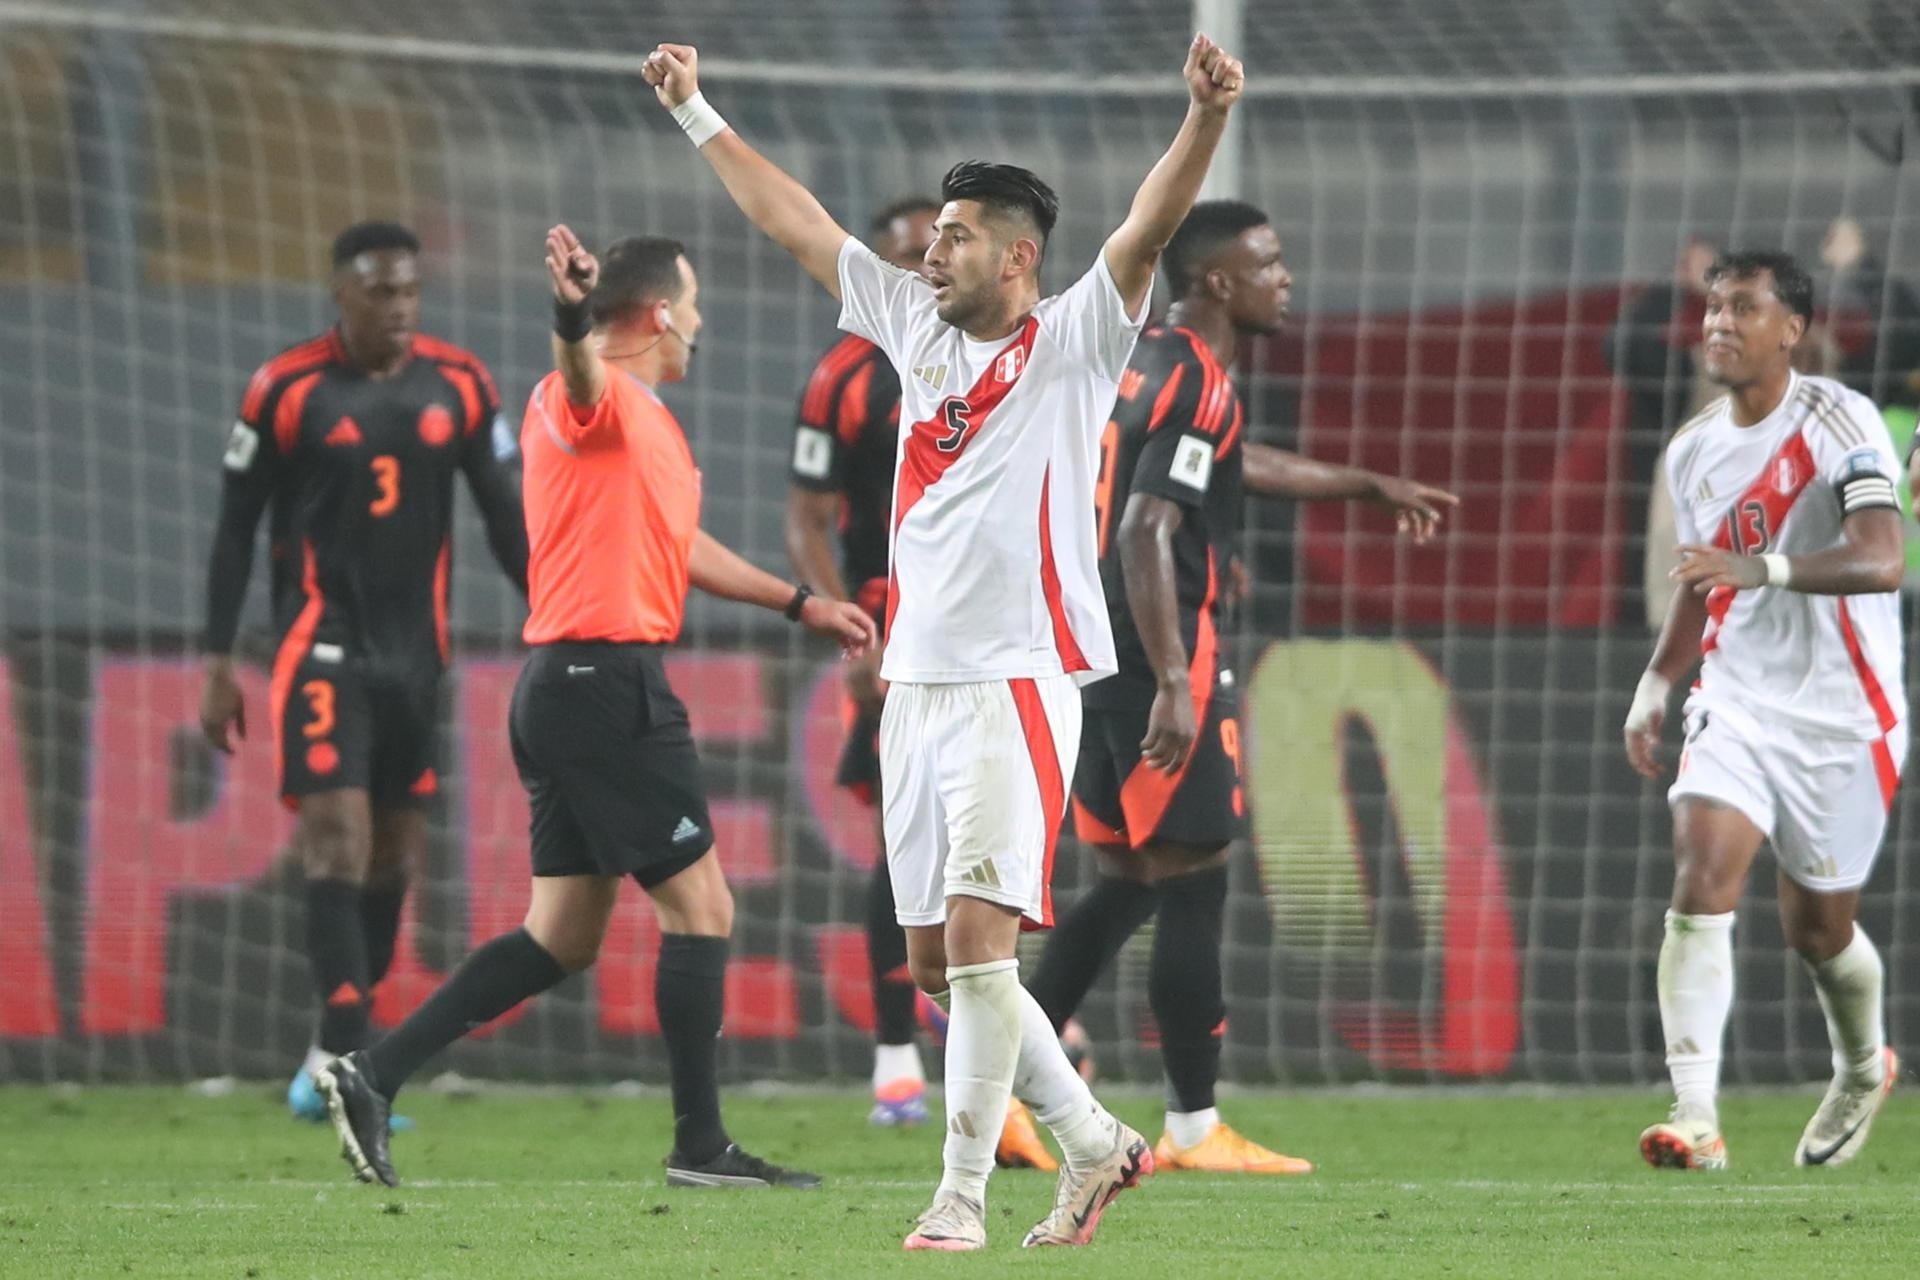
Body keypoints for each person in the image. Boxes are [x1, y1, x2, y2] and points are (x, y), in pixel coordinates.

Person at [644, 31, 1244, 1251]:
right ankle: (1095, 1142)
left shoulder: (1076, 338)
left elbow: (1145, 227)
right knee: (937, 961)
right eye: (933, 233)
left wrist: (1204, 119)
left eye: (958, 235)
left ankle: (960, 1195)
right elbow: (798, 224)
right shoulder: (912, 329)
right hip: (915, 682)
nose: (932, 250)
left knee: (978, 944)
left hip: (1017, 678)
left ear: (1018, 256)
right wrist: (696, 110)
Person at [316, 228, 875, 1190]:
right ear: (659, 315)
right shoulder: (595, 394)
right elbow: (579, 371)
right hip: (605, 684)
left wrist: (799, 603)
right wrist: (570, 312)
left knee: (563, 936)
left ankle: (372, 1072)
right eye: (691, 304)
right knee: (703, 906)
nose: (700, 321)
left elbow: (678, 544)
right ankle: (701, 1146)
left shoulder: (642, 422)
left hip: (566, 685)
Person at [1024, 199, 1457, 1174]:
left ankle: (1003, 1092)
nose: (1284, 279)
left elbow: (1217, 462)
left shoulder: (1143, 360)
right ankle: (1193, 1127)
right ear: (1217, 281)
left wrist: (1362, 484)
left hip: (1093, 649)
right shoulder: (1200, 377)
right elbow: (1146, 528)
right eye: (1268, 263)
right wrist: (1177, 681)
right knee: (1195, 877)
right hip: (1159, 655)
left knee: (1126, 884)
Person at [199, 220, 528, 1124]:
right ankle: (349, 1062)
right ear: (341, 292)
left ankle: (323, 1059)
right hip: (320, 643)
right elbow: (234, 527)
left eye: (410, 291)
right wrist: (218, 658)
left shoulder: (462, 384)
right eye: (382, 291)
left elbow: (505, 516)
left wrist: (553, 614)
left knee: (394, 858)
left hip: (417, 655)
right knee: (336, 837)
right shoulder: (285, 387)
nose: (399, 308)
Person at [783, 195, 1060, 1169]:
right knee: (903, 854)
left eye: (939, 247)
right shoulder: (850, 372)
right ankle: (897, 1054)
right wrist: (849, 630)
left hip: (999, 649)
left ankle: (1018, 1065)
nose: (924, 267)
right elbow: (805, 515)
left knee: (984, 870)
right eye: (908, 253)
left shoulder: (1024, 357)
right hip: (892, 631)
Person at [1623, 249, 1904, 1171]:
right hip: (1737, 695)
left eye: (1744, 308)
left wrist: (1762, 568)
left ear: (1793, 329)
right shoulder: (1693, 448)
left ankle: (1861, 1067)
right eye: (1713, 307)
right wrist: (1656, 686)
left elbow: (1881, 560)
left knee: (1818, 932)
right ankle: (1696, 1115)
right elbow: (1702, 580)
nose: (1719, 323)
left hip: (1846, 711)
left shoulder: (1841, 419)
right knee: (1702, 873)